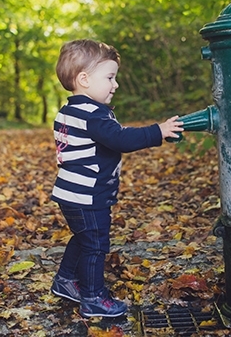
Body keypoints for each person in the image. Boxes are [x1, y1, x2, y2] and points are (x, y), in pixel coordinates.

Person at [49, 39, 183, 318]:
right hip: (88, 195)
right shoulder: (93, 115)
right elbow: (121, 138)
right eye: (109, 77)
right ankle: (93, 298)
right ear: (84, 79)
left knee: (83, 237)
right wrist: (158, 131)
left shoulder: (67, 112)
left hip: (70, 193)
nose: (115, 84)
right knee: (96, 245)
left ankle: (64, 281)